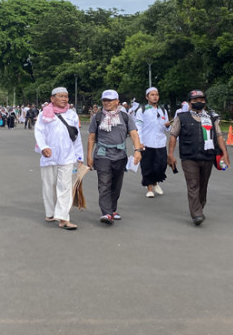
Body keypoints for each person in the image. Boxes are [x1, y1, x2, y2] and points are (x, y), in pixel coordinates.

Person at [167, 89, 230, 226]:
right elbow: (173, 136)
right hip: (189, 157)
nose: (198, 102)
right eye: (195, 100)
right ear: (190, 103)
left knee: (203, 185)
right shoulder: (182, 117)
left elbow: (219, 136)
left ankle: (200, 207)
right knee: (193, 184)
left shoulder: (212, 118)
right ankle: (196, 213)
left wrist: (225, 154)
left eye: (201, 100)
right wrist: (170, 155)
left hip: (208, 156)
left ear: (205, 102)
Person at [87, 89, 143, 225]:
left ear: (117, 101)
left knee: (116, 185)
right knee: (104, 183)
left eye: (110, 100)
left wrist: (137, 150)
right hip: (102, 154)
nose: (107, 103)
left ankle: (112, 210)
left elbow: (134, 134)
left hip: (120, 155)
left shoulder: (125, 117)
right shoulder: (98, 117)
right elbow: (91, 137)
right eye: (104, 100)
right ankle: (106, 213)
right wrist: (89, 156)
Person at [34, 87, 83, 230]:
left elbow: (77, 136)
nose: (64, 99)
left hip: (68, 156)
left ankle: (63, 218)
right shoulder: (45, 114)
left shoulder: (72, 114)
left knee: (65, 187)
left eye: (66, 96)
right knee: (49, 185)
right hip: (49, 156)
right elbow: (39, 132)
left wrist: (79, 155)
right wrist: (43, 147)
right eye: (61, 96)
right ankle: (50, 212)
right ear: (52, 98)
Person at [134, 86, 171, 197]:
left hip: (160, 143)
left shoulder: (163, 110)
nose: (155, 97)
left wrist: (167, 126)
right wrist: (139, 142)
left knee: (161, 166)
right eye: (152, 95)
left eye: (157, 95)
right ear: (147, 97)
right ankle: (149, 188)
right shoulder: (142, 110)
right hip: (146, 143)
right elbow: (138, 127)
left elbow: (166, 128)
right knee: (147, 166)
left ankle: (155, 182)